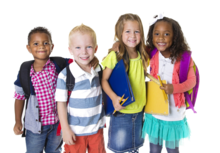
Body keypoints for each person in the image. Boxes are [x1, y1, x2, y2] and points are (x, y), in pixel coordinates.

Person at [11, 25, 99, 153]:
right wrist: (18, 121)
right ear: (28, 48)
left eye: (46, 43)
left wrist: (93, 59)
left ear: (53, 46)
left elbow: (81, 62)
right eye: (36, 43)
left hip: (58, 124)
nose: (41, 46)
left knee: (54, 150)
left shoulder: (60, 64)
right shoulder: (25, 69)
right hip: (35, 127)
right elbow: (19, 97)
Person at [142, 12, 196, 153]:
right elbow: (134, 48)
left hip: (174, 112)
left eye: (166, 34)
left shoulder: (184, 58)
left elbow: (192, 81)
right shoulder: (152, 53)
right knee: (154, 148)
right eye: (156, 34)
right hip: (154, 111)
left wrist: (174, 88)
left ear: (175, 37)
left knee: (172, 149)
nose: (161, 38)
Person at [101, 13, 149, 153]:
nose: (132, 36)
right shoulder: (115, 55)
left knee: (134, 148)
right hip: (122, 112)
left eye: (136, 31)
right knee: (120, 149)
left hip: (139, 112)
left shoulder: (142, 55)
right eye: (127, 31)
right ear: (119, 33)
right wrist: (114, 98)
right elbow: (103, 80)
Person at [56, 22, 106, 153]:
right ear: (69, 50)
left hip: (97, 129)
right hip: (75, 131)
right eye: (78, 47)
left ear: (96, 48)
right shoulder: (66, 75)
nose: (84, 52)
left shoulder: (99, 69)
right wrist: (65, 129)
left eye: (88, 47)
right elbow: (60, 104)